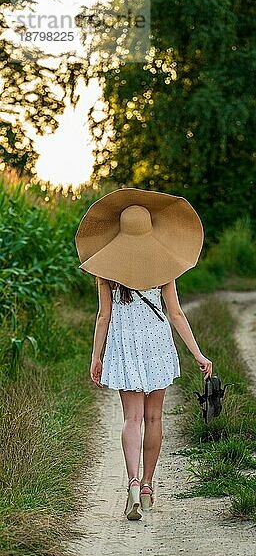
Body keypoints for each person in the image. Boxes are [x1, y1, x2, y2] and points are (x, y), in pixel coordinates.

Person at [75, 187, 213, 521]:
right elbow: (176, 314)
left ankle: (133, 484)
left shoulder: (106, 269)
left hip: (124, 345)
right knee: (154, 418)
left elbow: (103, 316)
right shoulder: (163, 264)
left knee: (131, 418)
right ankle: (149, 484)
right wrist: (198, 354)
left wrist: (97, 357)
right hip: (157, 344)